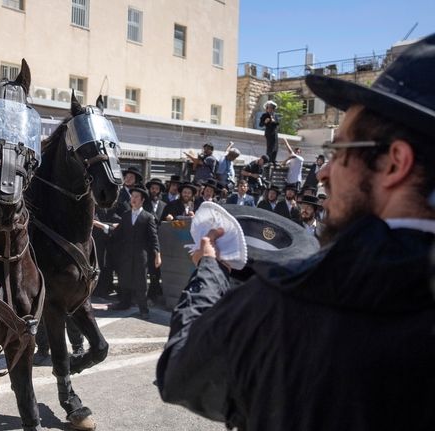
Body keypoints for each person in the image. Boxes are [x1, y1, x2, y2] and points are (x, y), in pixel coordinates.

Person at [156, 33, 435, 430]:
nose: (322, 171)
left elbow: (183, 372)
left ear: (395, 163)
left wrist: (210, 270)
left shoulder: (301, 297)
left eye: (340, 152)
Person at [109, 185, 161, 319]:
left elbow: (154, 237)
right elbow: (117, 232)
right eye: (132, 196)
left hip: (141, 255)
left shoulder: (148, 217)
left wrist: (157, 255)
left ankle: (144, 309)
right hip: (126, 254)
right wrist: (103, 227)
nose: (133, 199)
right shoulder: (126, 216)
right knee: (124, 279)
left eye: (137, 197)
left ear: (142, 200)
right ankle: (124, 303)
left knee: (141, 282)